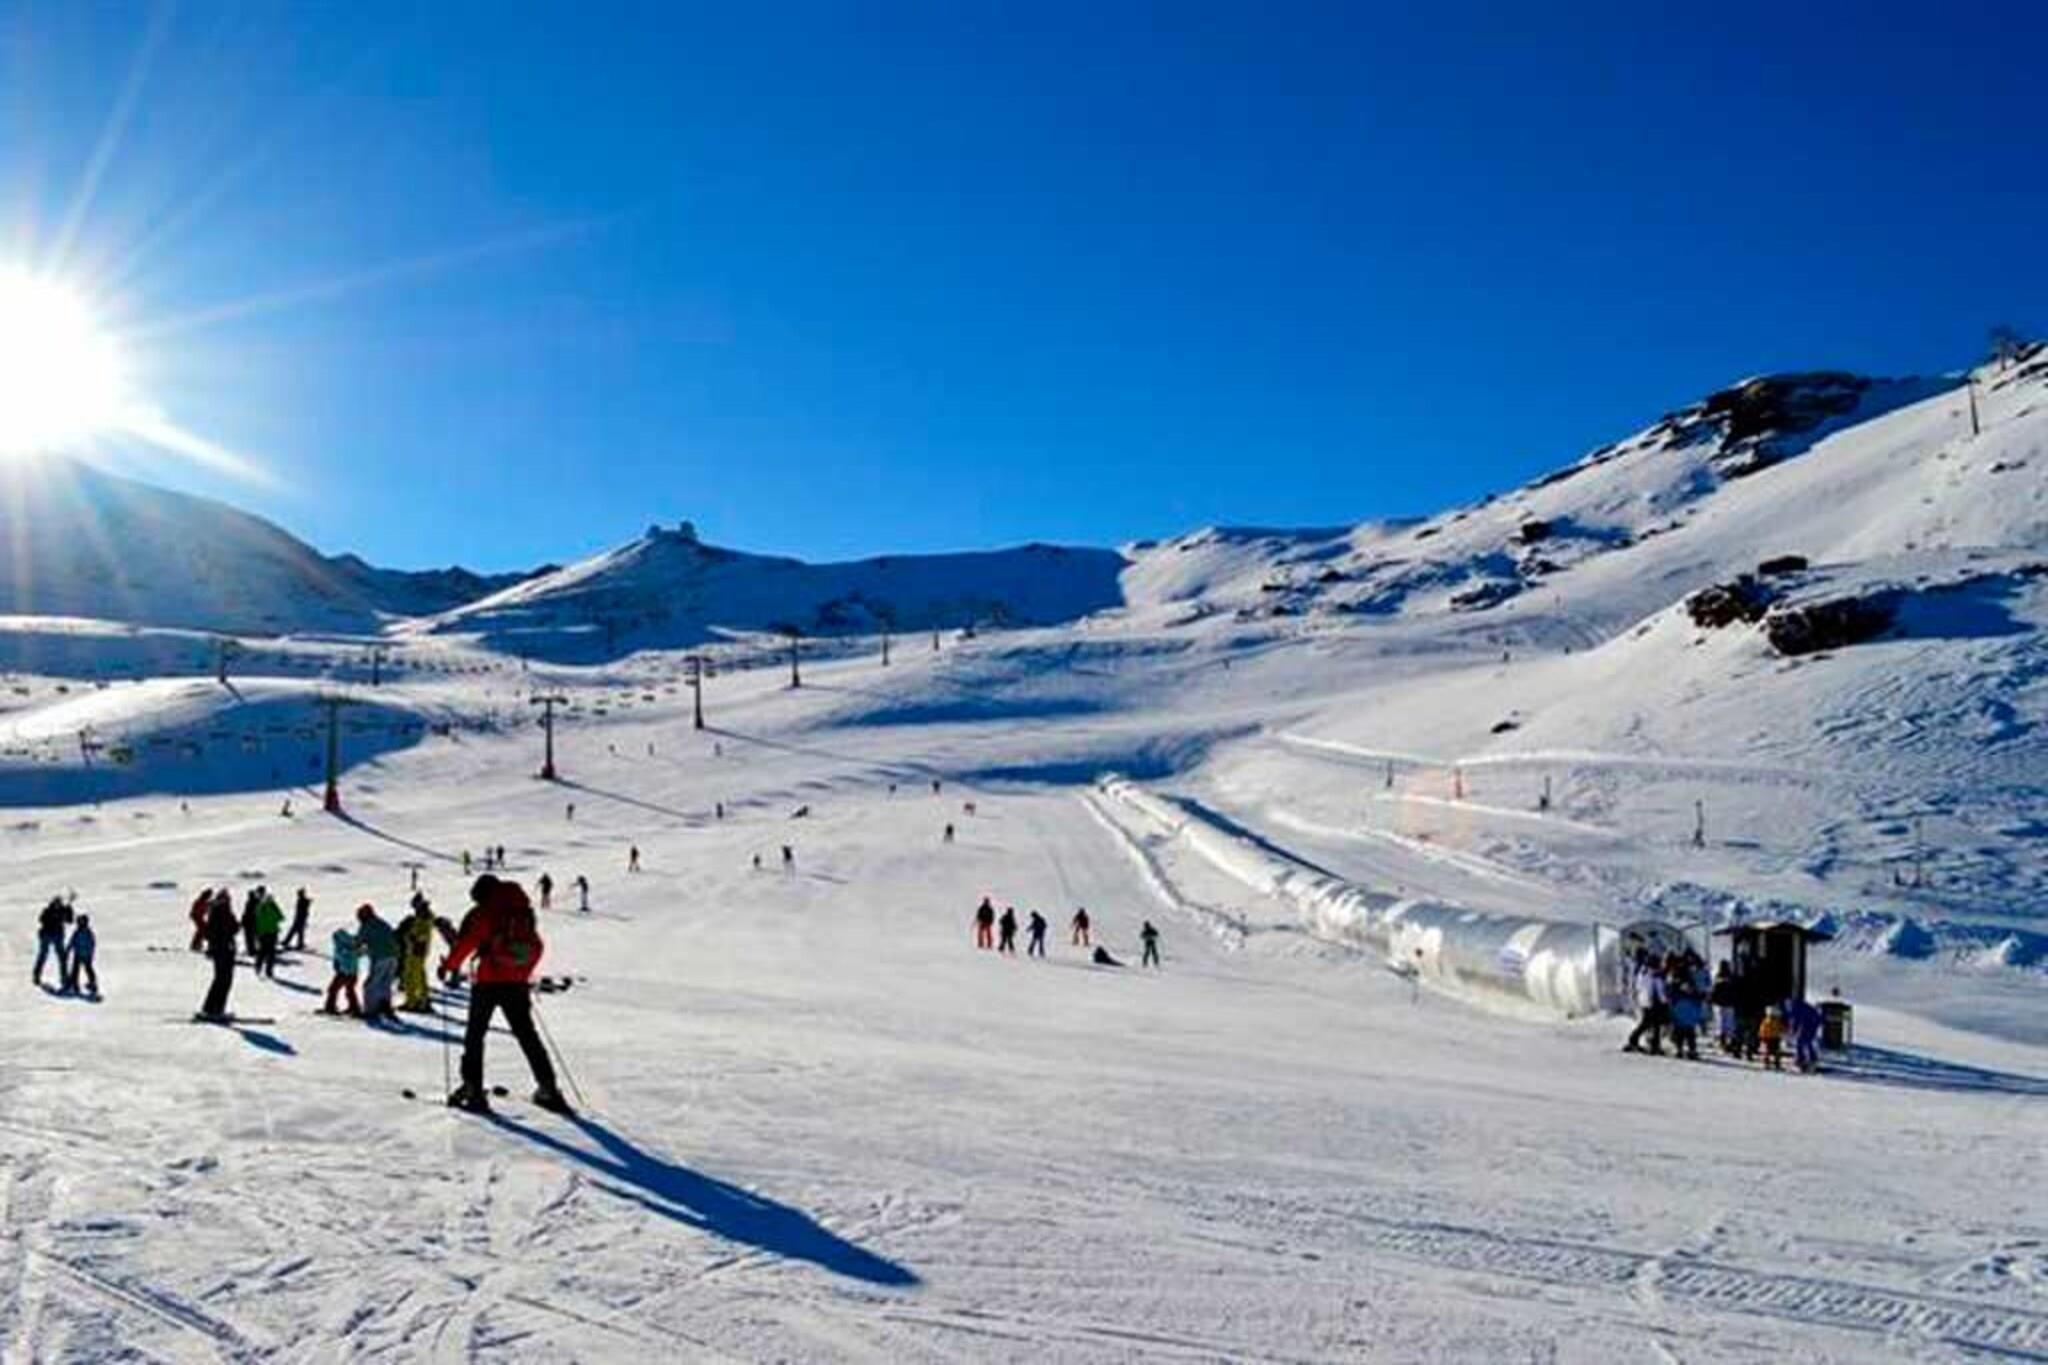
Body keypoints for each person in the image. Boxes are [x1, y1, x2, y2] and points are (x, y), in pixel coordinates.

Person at [442, 876, 568, 1115]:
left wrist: (448, 966)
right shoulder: (521, 910)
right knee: (527, 1035)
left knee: (475, 1036)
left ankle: (473, 1090)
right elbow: (536, 945)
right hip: (517, 984)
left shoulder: (485, 912)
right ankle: (549, 1088)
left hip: (488, 982)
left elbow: (467, 943)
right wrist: (521, 972)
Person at [199, 892, 240, 1020]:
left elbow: (233, 928)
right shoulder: (220, 912)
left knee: (222, 979)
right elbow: (229, 929)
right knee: (223, 980)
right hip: (223, 949)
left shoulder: (219, 911)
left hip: (223, 949)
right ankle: (215, 1009)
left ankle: (211, 1008)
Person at [355, 906, 401, 1022]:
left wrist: (354, 952)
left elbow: (358, 942)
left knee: (370, 985)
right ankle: (385, 1006)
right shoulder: (382, 923)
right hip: (394, 957)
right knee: (385, 983)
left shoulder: (366, 926)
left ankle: (370, 1010)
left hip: (381, 958)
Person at [397, 900, 438, 1012]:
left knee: (412, 977)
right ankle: (420, 1001)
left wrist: (412, 937)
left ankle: (413, 1002)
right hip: (415, 951)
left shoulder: (424, 920)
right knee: (417, 976)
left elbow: (422, 935)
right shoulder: (423, 918)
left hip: (417, 951)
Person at [1622, 956, 1667, 1055]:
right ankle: (1635, 1040)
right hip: (1651, 1003)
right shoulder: (1650, 976)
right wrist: (1663, 1000)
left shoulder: (1646, 974)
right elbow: (1655, 990)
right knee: (1649, 1024)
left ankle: (1653, 1044)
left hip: (1649, 1003)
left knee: (1653, 1024)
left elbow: (1648, 989)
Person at [32, 896, 73, 988]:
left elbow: (69, 920)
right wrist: (55, 916)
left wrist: (69, 909)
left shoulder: (62, 910)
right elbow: (41, 920)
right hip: (47, 935)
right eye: (56, 903)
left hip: (57, 936)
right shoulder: (48, 910)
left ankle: (64, 978)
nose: (57, 905)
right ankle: (36, 976)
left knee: (62, 958)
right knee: (43, 956)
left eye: (59, 903)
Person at [323, 922, 362, 1016]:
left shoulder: (344, 949)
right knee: (349, 990)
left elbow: (343, 959)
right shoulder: (349, 947)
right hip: (351, 973)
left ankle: (330, 1007)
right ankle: (354, 1007)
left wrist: (339, 966)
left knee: (333, 989)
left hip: (345, 973)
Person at [250, 889, 285, 979]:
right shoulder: (262, 907)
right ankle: (261, 968)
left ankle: (265, 970)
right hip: (266, 933)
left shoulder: (265, 907)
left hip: (269, 932)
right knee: (265, 952)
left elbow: (281, 917)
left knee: (268, 953)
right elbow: (279, 917)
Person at [1709, 962, 1740, 1054]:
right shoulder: (1732, 978)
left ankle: (1722, 1043)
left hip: (1719, 1005)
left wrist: (1712, 1001)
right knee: (1729, 1025)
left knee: (1720, 1024)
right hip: (1730, 1005)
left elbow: (1713, 992)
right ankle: (1730, 1043)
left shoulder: (1718, 979)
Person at [1788, 996, 1824, 1072]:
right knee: (1804, 1041)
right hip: (1810, 1025)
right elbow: (1796, 1020)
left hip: (1809, 1025)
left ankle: (1803, 1060)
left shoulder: (1795, 1008)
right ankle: (1806, 1059)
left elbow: (1795, 1020)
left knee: (1803, 1041)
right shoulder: (1800, 1006)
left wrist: (1794, 1030)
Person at [65, 914, 98, 997]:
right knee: (76, 970)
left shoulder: (87, 933)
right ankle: (75, 984)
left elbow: (92, 944)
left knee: (87, 969)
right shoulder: (77, 932)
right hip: (79, 954)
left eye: (81, 922)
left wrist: (90, 954)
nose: (79, 924)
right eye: (79, 922)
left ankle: (92, 983)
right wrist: (67, 951)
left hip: (84, 955)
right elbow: (72, 942)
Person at [1668, 990, 1704, 1060]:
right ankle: (1684, 1050)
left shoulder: (1680, 998)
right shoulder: (1692, 999)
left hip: (1684, 1022)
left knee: (1687, 1036)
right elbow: (1698, 1010)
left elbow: (1672, 1010)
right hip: (1684, 1022)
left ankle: (1686, 1050)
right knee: (1685, 1036)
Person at [1758, 1005, 1787, 1071]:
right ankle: (1771, 1064)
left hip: (1772, 1038)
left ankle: (1770, 1063)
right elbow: (1763, 1029)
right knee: (1772, 1052)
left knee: (1771, 1052)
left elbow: (1762, 1029)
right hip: (1771, 1038)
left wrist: (1761, 1035)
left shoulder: (1768, 1020)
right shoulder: (1770, 1021)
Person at [285, 888, 312, 952]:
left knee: (296, 931)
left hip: (299, 918)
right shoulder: (301, 901)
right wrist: (308, 901)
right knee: (298, 931)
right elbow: (305, 906)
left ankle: (289, 941)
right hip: (300, 918)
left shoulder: (301, 900)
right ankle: (298, 943)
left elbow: (305, 906)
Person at [188, 888, 212, 952]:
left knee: (201, 931)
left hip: (198, 917)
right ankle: (196, 945)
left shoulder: (203, 901)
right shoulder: (200, 901)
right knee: (201, 930)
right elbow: (198, 910)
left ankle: (197, 944)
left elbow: (206, 907)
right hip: (196, 917)